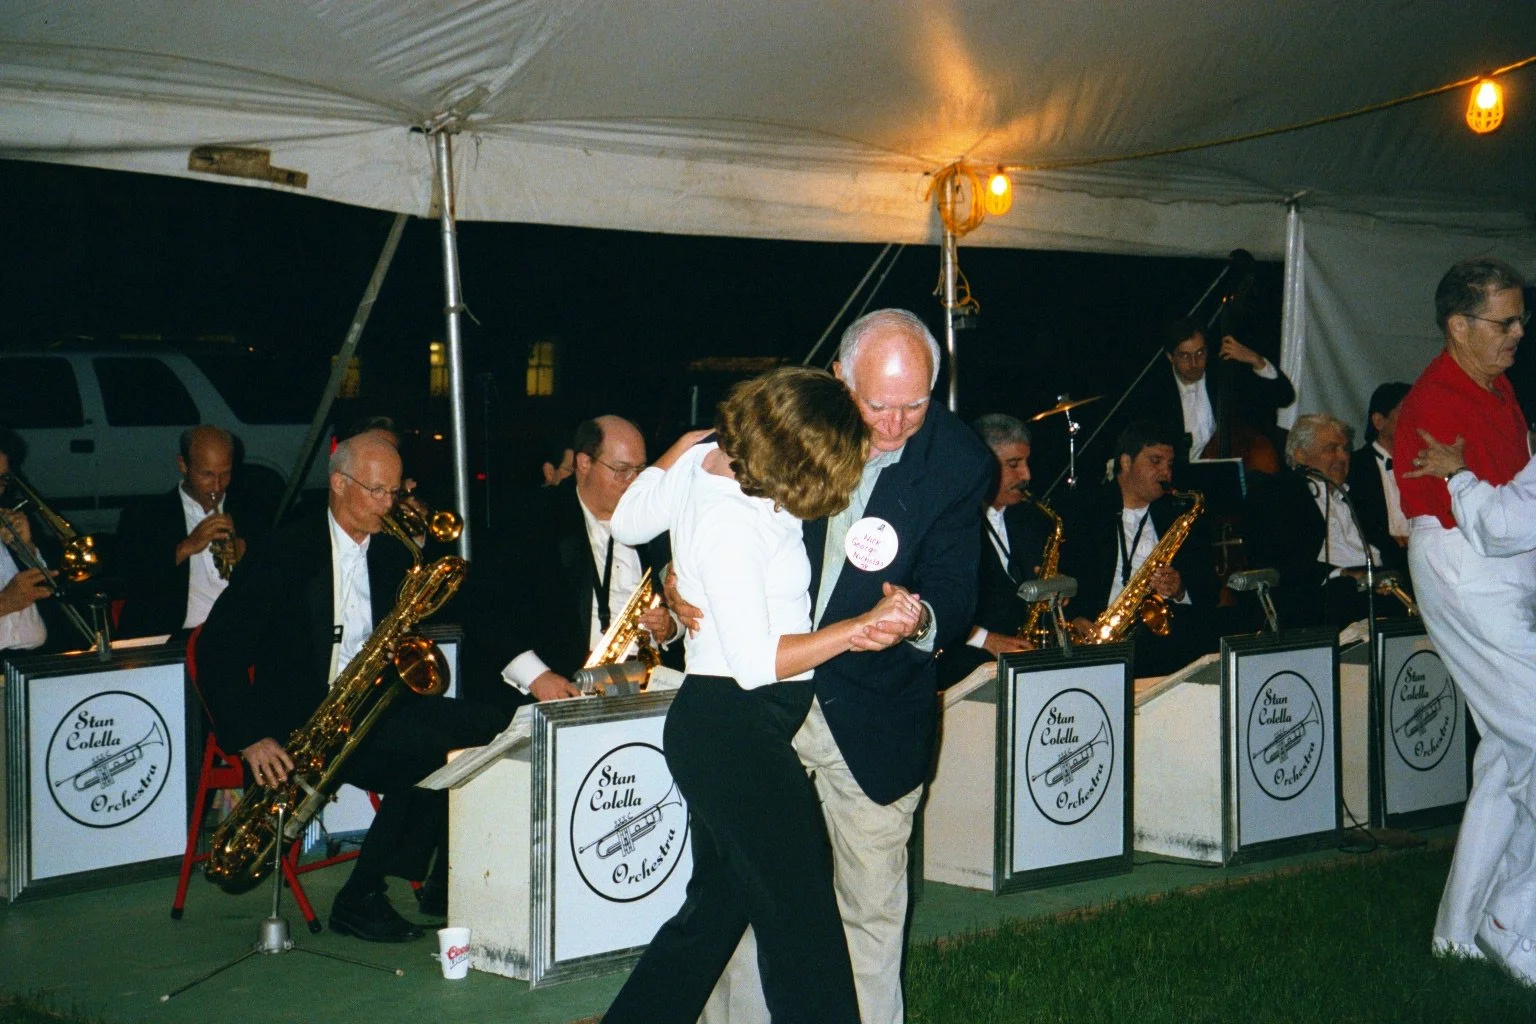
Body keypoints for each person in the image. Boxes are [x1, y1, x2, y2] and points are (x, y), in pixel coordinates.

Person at [671, 309, 993, 1024]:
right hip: (761, 704)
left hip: (877, 713)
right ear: (840, 377)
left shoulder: (960, 461)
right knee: (752, 898)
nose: (895, 423)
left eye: (915, 404)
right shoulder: (792, 416)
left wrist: (919, 620)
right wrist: (678, 572)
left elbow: (956, 589)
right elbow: (711, 495)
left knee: (871, 911)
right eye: (878, 404)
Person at [604, 366, 924, 1024]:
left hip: (721, 729)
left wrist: (692, 441)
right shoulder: (735, 520)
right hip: (733, 729)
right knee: (804, 928)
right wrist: (856, 630)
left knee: (714, 915)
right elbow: (757, 665)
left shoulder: (704, 461)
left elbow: (629, 518)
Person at [196, 432, 509, 941]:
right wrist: (251, 736)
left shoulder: (393, 552)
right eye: (377, 492)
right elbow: (218, 650)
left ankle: (439, 880)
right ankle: (362, 895)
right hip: (302, 722)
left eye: (395, 492)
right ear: (339, 484)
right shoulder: (285, 550)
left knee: (484, 727)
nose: (390, 505)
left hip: (370, 708)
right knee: (430, 753)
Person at [1392, 257, 1534, 979]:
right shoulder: (1436, 400)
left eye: (1520, 317)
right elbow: (1493, 526)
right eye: (1504, 320)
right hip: (1466, 570)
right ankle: (1513, 924)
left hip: (1497, 566)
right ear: (1459, 326)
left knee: (1511, 756)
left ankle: (1460, 933)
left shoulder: (1495, 386)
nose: (1519, 331)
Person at [460, 415, 680, 710]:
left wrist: (671, 626)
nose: (634, 482)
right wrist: (538, 677)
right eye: (622, 470)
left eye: (640, 470)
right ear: (584, 463)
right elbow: (481, 605)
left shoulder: (656, 524)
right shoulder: (532, 518)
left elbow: (688, 603)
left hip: (646, 693)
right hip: (565, 695)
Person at [1058, 419, 1215, 676]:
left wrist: (1180, 589)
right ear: (1126, 462)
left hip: (1164, 648)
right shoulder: (1083, 510)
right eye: (1155, 461)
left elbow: (1209, 588)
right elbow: (1061, 577)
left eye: (1169, 464)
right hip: (1097, 646)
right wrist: (1073, 620)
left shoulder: (1180, 514)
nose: (1166, 473)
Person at [115, 425, 262, 639]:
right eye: (207, 474)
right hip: (173, 635)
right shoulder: (145, 515)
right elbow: (127, 581)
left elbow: (275, 575)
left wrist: (247, 554)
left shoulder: (249, 510)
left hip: (235, 631)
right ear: (183, 465)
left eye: (225, 474)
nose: (217, 486)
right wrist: (185, 547)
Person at [936, 413, 1049, 686]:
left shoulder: (1032, 519)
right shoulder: (948, 519)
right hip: (962, 666)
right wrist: (986, 639)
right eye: (1014, 464)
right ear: (982, 463)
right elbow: (938, 604)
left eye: (1026, 463)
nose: (1027, 475)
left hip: (1018, 662)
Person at [1247, 413, 1389, 629]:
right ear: (1300, 455)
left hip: (1375, 580)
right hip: (1326, 591)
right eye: (1331, 448)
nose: (1343, 457)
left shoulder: (1359, 496)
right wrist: (1340, 573)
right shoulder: (1278, 493)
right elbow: (1281, 559)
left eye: (1346, 449)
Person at [1128, 318, 1295, 465]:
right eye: (1185, 355)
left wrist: (1257, 361)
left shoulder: (1224, 377)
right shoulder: (1154, 395)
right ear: (1170, 357)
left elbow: (1284, 396)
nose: (1194, 363)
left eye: (1200, 353)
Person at [1347, 382, 1412, 572]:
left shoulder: (1427, 464)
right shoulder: (1353, 467)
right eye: (1406, 413)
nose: (1415, 421)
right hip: (1382, 564)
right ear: (1378, 421)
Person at [0, 427, 49, 654]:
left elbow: (52, 595)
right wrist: (5, 603)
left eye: (1, 481)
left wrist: (26, 549)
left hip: (26, 661)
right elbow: (12, 599)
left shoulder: (6, 522)